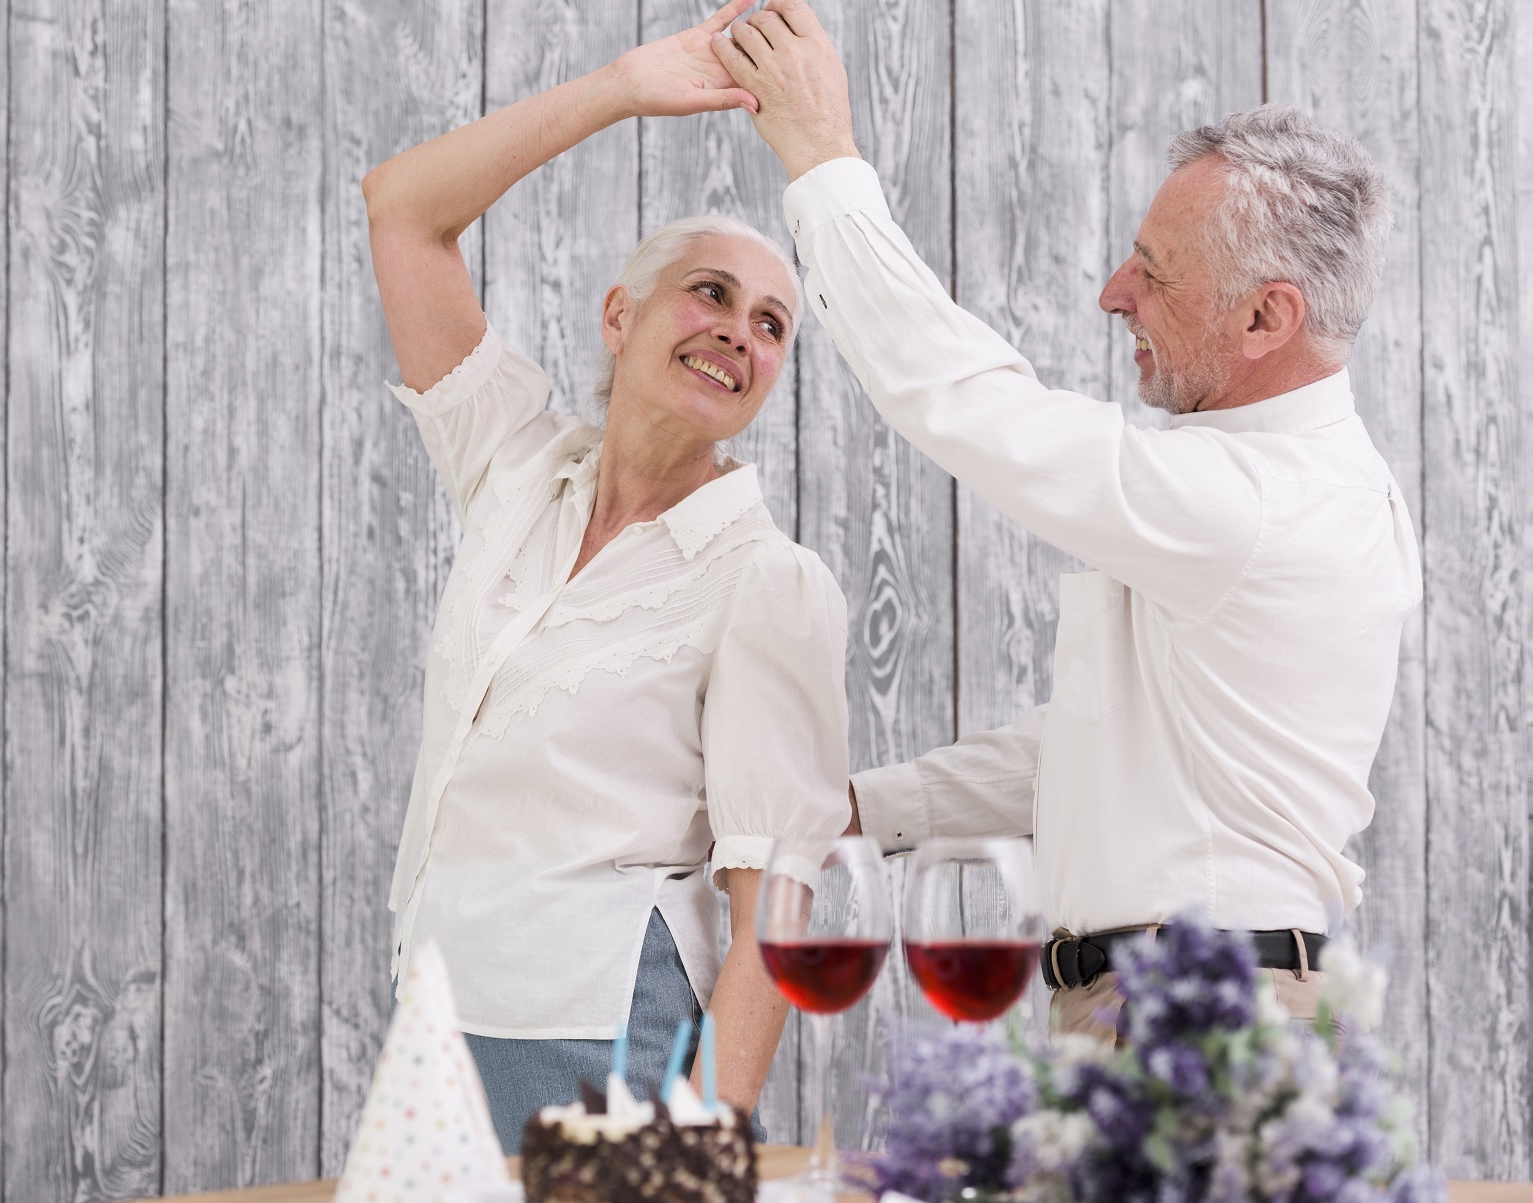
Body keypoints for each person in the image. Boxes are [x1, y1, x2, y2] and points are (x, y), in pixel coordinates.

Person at [709, 0, 1421, 1042]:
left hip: (1198, 1020)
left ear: (1267, 318)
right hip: (1165, 1004)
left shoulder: (1258, 502)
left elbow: (959, 399)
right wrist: (862, 809)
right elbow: (1098, 754)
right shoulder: (1264, 487)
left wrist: (822, 156)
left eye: (1155, 272)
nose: (1111, 293)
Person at [362, 0, 849, 1148]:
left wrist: (698, 1150)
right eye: (713, 294)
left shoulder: (763, 583)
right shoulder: (516, 468)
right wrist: (626, 85)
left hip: (601, 1042)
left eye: (775, 325)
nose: (742, 331)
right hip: (433, 1018)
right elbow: (403, 213)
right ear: (620, 316)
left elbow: (774, 912)